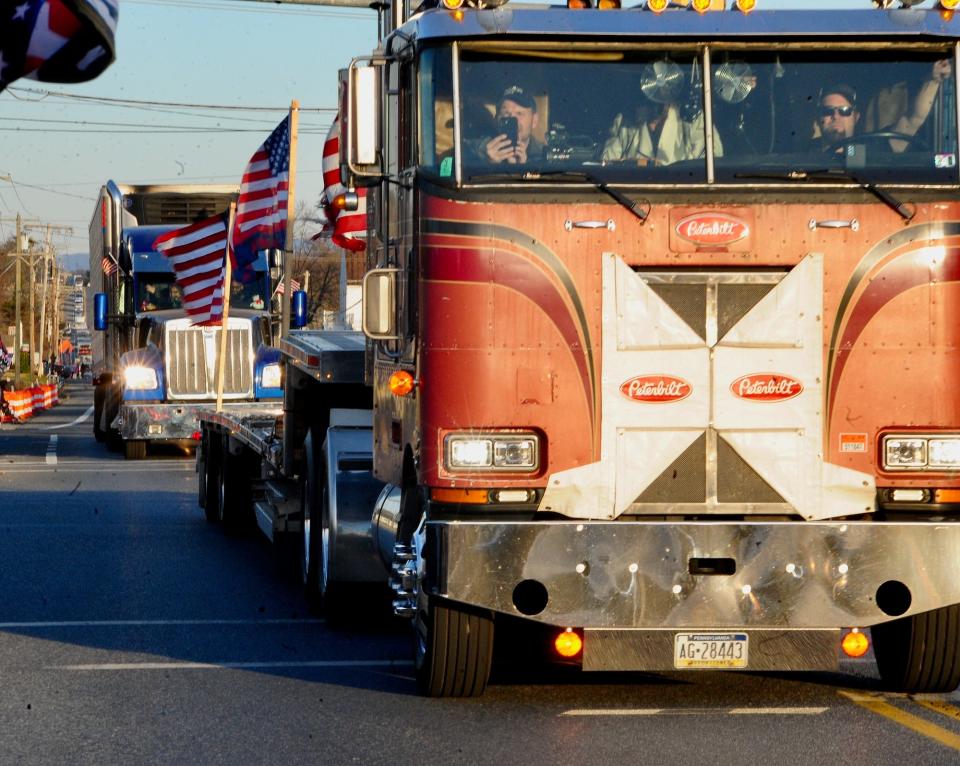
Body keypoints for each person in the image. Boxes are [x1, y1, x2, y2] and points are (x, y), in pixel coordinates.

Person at [816, 61, 951, 153]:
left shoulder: (869, 151)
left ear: (855, 117)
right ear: (818, 118)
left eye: (844, 111)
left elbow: (912, 120)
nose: (835, 116)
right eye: (828, 111)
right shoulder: (804, 155)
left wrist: (934, 81)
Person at [481, 85, 545, 165]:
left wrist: (522, 170)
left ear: (534, 121)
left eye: (519, 113)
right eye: (505, 114)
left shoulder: (545, 155)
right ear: (496, 119)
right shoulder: (478, 151)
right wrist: (490, 165)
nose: (512, 119)